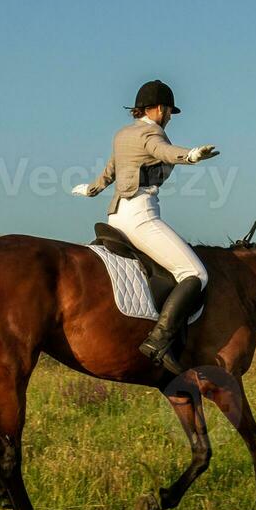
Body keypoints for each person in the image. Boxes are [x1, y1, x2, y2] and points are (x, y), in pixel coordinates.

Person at [71, 79, 219, 370]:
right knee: (195, 273)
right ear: (161, 109)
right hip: (141, 216)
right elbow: (163, 151)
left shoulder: (123, 134)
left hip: (116, 216)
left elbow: (111, 169)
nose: (169, 119)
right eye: (169, 113)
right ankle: (159, 341)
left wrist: (91, 189)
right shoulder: (152, 134)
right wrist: (190, 156)